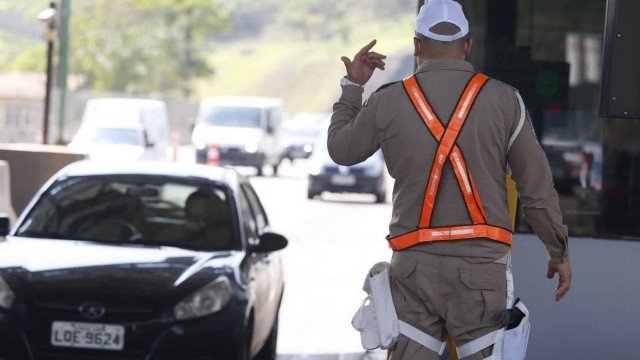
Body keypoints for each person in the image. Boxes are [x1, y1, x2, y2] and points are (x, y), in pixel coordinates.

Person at [328, 0, 572, 358]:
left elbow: (341, 149)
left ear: (416, 46)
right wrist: (558, 250)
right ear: (469, 45)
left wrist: (353, 85)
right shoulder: (506, 101)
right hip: (481, 271)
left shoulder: (388, 101)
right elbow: (535, 188)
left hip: (413, 270)